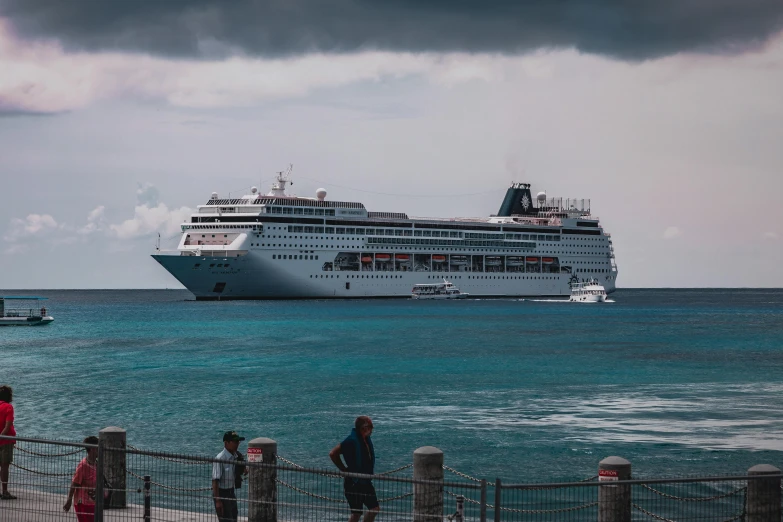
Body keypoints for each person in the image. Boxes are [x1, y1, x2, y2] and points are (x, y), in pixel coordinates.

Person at [329, 416, 379, 522]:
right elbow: (333, 453)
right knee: (356, 513)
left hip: (365, 481)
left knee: (374, 508)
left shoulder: (365, 439)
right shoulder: (351, 441)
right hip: (354, 483)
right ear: (363, 428)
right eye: (370, 427)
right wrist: (343, 469)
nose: (372, 430)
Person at [63, 436, 99, 521]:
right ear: (92, 449)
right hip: (83, 503)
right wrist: (69, 500)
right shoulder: (83, 466)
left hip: (93, 502)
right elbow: (74, 483)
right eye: (98, 448)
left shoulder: (96, 464)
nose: (100, 451)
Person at [212, 431, 245, 522]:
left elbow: (240, 468)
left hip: (231, 492)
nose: (237, 444)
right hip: (222, 493)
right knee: (226, 520)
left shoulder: (236, 456)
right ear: (226, 443)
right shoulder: (220, 458)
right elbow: (215, 480)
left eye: (238, 441)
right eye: (234, 442)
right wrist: (218, 500)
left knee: (234, 518)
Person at [0, 384, 16, 500]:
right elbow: (8, 425)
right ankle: (4, 491)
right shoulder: (8, 407)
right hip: (5, 440)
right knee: (5, 466)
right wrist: (1, 436)